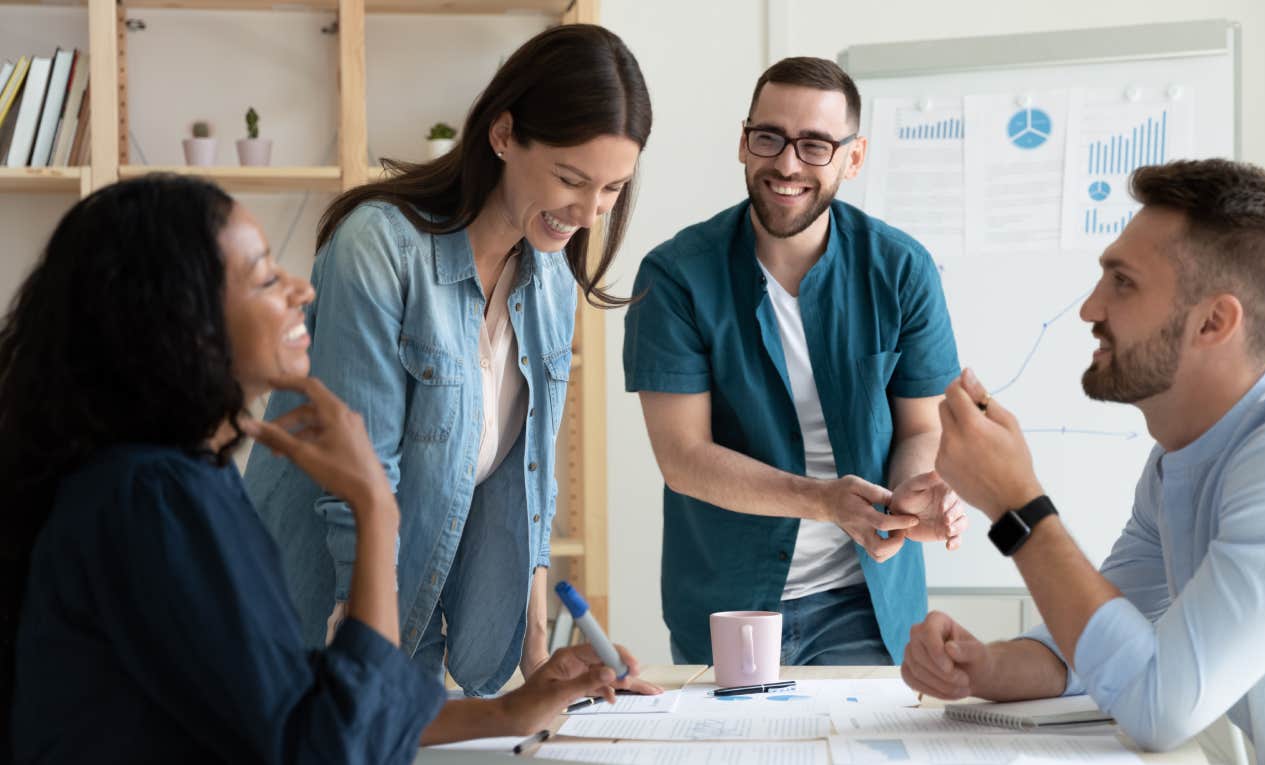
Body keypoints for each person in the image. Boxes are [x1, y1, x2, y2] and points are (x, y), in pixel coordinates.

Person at [1, 175, 645, 762]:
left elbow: (299, 702)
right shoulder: (151, 503)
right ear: (183, 324)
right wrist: (374, 509)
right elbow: (327, 746)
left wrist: (510, 710)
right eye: (263, 279)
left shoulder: (186, 481)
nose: (300, 290)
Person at [243, 24, 658, 695]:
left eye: (612, 189)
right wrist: (366, 666)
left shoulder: (549, 276)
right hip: (315, 620)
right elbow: (360, 481)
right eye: (570, 179)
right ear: (502, 135)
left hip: (410, 625)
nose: (588, 212)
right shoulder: (379, 250)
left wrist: (541, 663)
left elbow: (532, 482)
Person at [903, 159, 1265, 763]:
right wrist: (985, 668)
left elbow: (1156, 707)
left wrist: (1016, 504)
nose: (1090, 309)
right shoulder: (1181, 461)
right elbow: (1102, 643)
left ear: (1214, 322)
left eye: (1122, 282)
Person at [622, 57, 967, 667]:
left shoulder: (902, 269)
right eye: (769, 138)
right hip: (727, 604)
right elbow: (684, 459)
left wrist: (908, 499)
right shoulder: (676, 276)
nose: (786, 163)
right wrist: (825, 501)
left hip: (864, 599)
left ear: (852, 159)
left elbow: (923, 427)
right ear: (743, 142)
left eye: (815, 145)